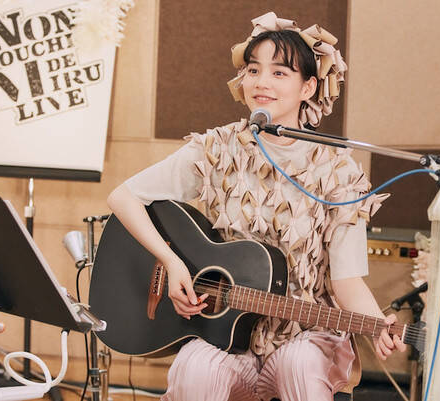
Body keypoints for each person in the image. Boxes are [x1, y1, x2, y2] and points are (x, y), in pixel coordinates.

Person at [107, 12, 406, 401]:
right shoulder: (218, 149)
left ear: (308, 86)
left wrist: (376, 323)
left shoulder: (338, 171)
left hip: (304, 335)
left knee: (300, 364)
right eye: (253, 70)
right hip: (224, 334)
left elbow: (346, 282)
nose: (261, 82)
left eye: (279, 72)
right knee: (194, 368)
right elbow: (124, 197)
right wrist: (172, 262)